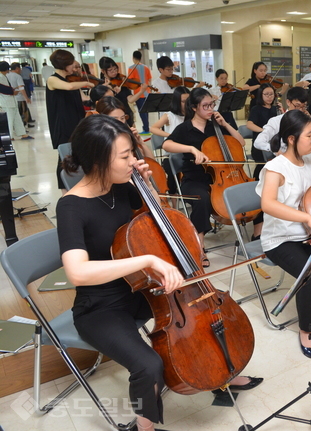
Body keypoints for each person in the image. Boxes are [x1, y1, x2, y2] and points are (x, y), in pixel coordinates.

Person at [57, 115, 262, 431]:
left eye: (132, 154)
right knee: (148, 366)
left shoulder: (123, 184)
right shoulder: (71, 206)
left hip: (144, 289)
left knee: (205, 323)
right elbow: (78, 272)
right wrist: (146, 262)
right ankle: (144, 426)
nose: (133, 161)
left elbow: (157, 225)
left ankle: (221, 374)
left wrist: (148, 185)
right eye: (125, 156)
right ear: (98, 159)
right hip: (101, 305)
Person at [256, 109, 311, 358]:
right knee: (310, 271)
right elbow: (268, 204)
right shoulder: (275, 167)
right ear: (291, 138)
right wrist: (307, 217)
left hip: (310, 233)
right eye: (309, 135)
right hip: (280, 239)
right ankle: (306, 328)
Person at [162, 87, 246, 266]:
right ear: (194, 108)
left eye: (212, 105)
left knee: (250, 191)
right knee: (202, 199)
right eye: (205, 106)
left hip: (221, 178)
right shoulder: (185, 129)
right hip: (193, 179)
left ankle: (256, 236)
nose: (211, 109)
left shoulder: (215, 125)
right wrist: (191, 149)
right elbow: (166, 145)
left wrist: (225, 124)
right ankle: (199, 248)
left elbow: (240, 142)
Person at [46, 50, 93, 192]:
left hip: (76, 123)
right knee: (63, 160)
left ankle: (80, 187)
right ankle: (64, 192)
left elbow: (84, 99)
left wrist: (100, 92)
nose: (74, 66)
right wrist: (86, 82)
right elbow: (69, 88)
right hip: (63, 126)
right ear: (64, 64)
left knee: (78, 156)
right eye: (71, 63)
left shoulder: (71, 79)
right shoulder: (52, 79)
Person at [254, 86, 311, 154]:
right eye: (297, 105)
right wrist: (276, 150)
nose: (300, 110)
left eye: (304, 106)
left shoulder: (307, 121)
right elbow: (258, 142)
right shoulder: (276, 121)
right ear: (288, 102)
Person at [150, 86, 191, 194]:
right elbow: (153, 128)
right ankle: (173, 200)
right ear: (177, 102)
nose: (186, 104)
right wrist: (170, 135)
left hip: (188, 153)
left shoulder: (192, 115)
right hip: (172, 155)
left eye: (189, 101)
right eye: (183, 101)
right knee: (172, 173)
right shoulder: (169, 116)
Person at [247, 83, 282, 178]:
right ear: (261, 95)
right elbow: (249, 124)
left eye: (271, 94)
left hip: (275, 142)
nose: (269, 97)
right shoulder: (256, 109)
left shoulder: (276, 109)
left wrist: (282, 112)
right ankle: (256, 182)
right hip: (260, 144)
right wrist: (265, 131)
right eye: (266, 94)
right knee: (262, 166)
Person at [98, 56, 143, 128]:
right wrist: (111, 90)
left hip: (126, 114)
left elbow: (130, 99)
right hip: (112, 118)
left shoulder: (122, 82)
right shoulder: (100, 86)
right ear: (103, 71)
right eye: (110, 70)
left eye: (115, 69)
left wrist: (141, 91)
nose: (114, 72)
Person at [129, 50, 153, 132]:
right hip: (147, 92)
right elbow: (149, 80)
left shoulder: (131, 68)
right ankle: (146, 127)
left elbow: (130, 82)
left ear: (133, 58)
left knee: (142, 112)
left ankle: (146, 129)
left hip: (139, 94)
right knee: (146, 111)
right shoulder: (146, 67)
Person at [6, 63, 33, 132]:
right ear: (17, 69)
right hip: (20, 98)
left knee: (14, 113)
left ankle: (16, 128)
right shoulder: (18, 76)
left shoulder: (6, 75)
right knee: (22, 113)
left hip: (10, 98)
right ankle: (21, 129)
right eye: (20, 68)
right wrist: (26, 98)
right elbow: (21, 88)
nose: (21, 70)